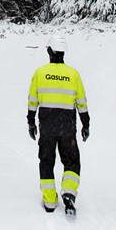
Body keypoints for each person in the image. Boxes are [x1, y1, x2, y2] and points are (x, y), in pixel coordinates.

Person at [26, 36, 89, 215]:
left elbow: (32, 100)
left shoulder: (40, 72)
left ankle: (50, 200)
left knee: (46, 160)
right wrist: (86, 124)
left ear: (50, 52)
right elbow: (81, 101)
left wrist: (31, 122)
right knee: (71, 160)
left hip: (47, 124)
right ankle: (69, 192)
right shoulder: (73, 74)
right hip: (67, 124)